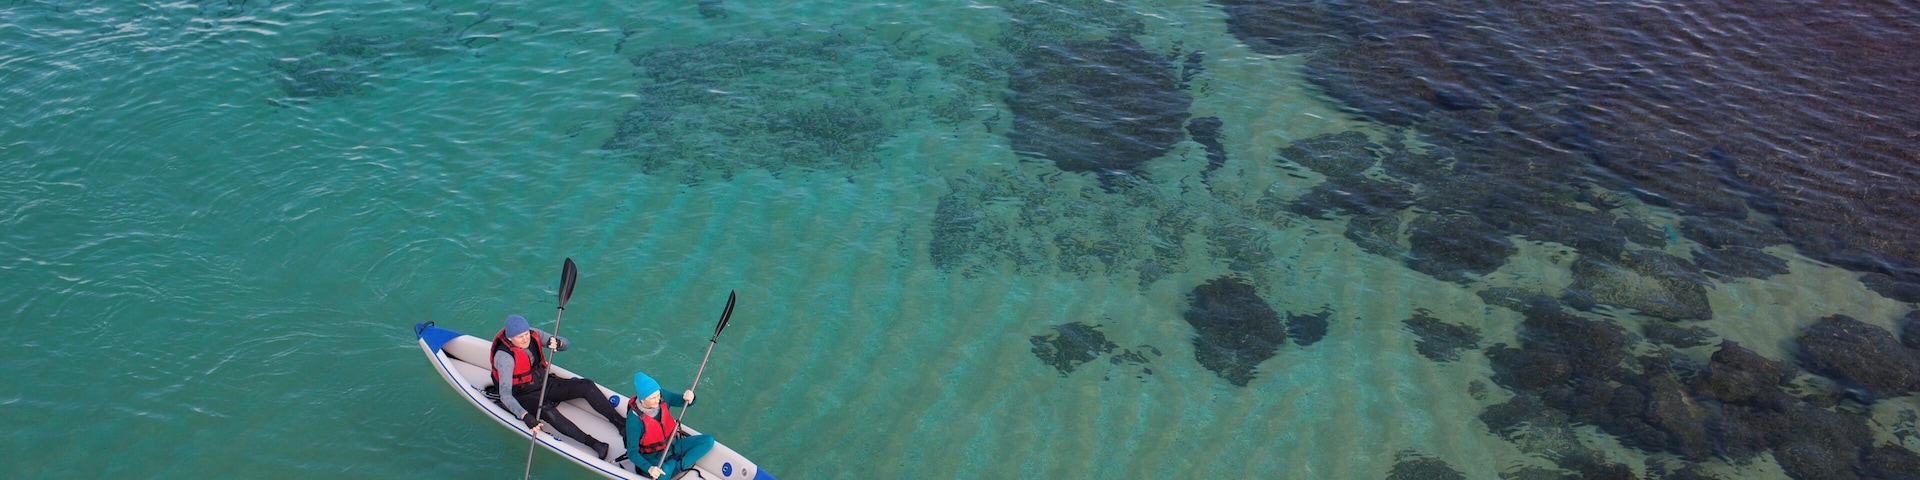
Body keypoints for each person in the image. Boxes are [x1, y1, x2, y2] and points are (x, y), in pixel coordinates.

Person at [490, 314, 627, 461]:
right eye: (520, 337)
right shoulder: (504, 358)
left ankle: (621, 424)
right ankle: (595, 444)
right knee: (548, 411)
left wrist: (559, 344)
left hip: (544, 382)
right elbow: (505, 395)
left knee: (586, 385)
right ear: (510, 338)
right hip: (522, 395)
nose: (525, 339)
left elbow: (566, 344)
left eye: (526, 334)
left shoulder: (533, 334)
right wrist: (525, 416)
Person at [626, 371, 713, 479]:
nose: (657, 400)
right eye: (653, 398)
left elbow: (684, 401)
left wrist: (691, 397)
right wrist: (649, 468)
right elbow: (632, 453)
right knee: (664, 475)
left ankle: (677, 465)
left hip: (674, 444)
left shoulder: (663, 396)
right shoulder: (634, 420)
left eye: (658, 395)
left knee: (708, 441)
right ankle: (676, 463)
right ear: (642, 400)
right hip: (653, 455)